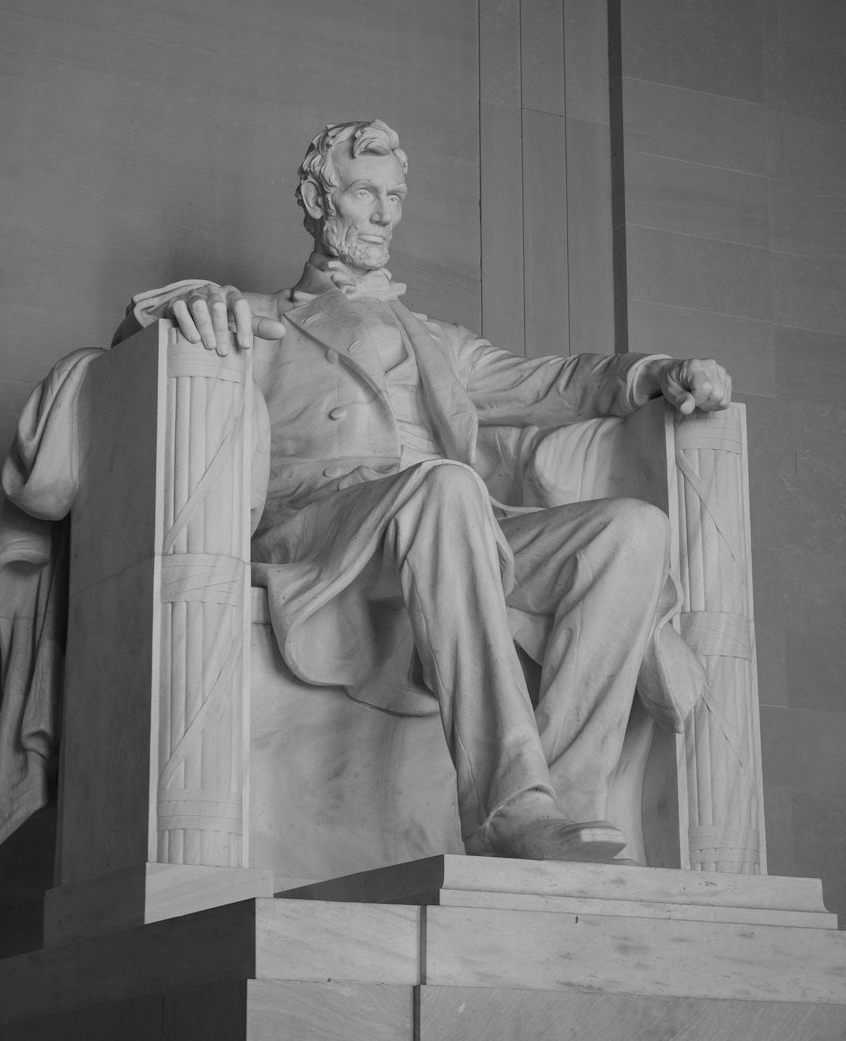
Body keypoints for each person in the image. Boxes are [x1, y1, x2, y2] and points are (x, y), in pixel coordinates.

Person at [114, 119, 731, 863]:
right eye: (364, 192)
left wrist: (658, 372)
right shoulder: (260, 315)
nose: (383, 214)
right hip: (327, 530)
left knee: (633, 530)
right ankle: (508, 804)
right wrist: (180, 311)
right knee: (446, 486)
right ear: (316, 196)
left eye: (395, 196)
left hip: (457, 526)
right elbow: (135, 351)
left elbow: (556, 382)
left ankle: (566, 805)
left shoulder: (437, 339)